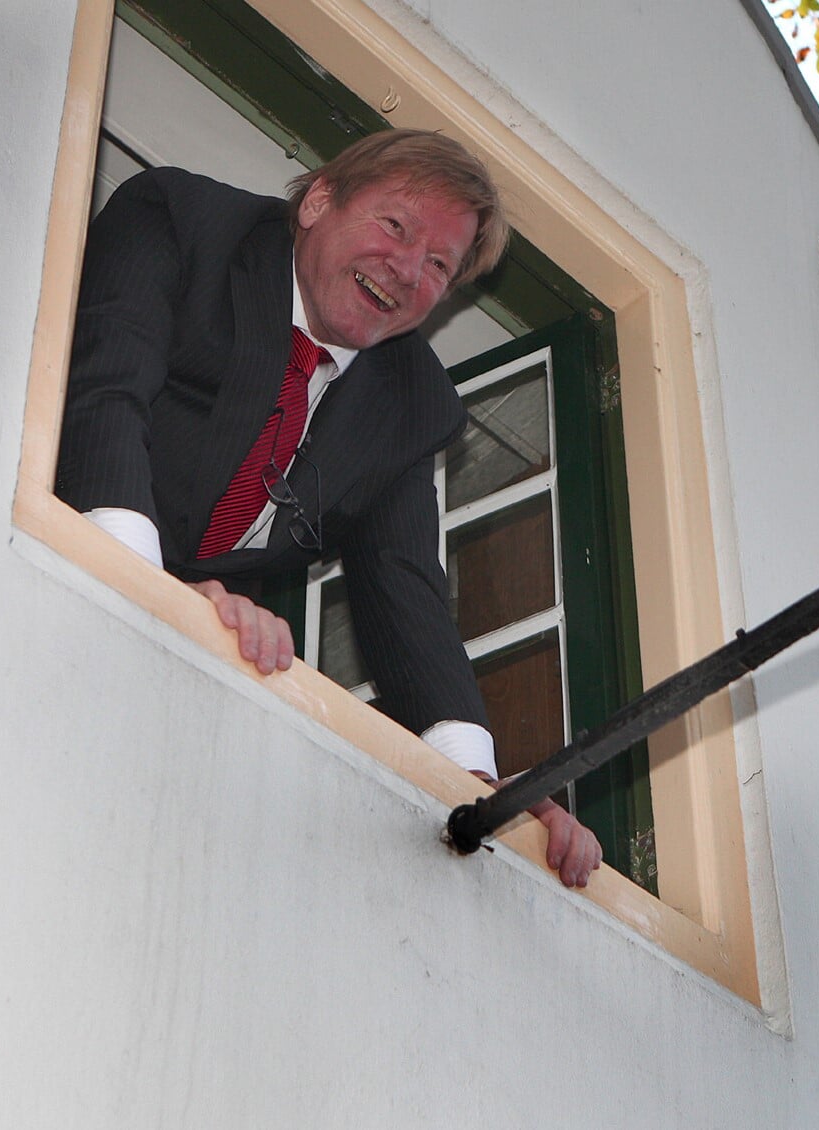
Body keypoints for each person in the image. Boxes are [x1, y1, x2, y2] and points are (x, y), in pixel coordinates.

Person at [56, 129, 602, 887]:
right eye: (395, 226)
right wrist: (147, 589)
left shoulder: (415, 404)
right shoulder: (180, 218)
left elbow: (405, 586)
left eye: (440, 265)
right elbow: (103, 389)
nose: (408, 270)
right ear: (317, 201)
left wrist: (475, 783)